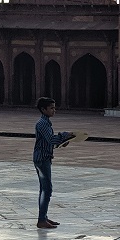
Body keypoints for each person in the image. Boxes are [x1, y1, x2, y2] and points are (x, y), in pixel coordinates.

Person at [32, 97, 72, 229]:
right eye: (52, 108)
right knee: (46, 189)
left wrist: (60, 142)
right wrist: (64, 135)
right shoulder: (42, 124)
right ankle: (41, 219)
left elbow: (49, 142)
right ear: (43, 109)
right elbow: (50, 140)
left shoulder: (46, 122)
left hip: (44, 157)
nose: (54, 110)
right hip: (42, 159)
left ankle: (43, 217)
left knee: (45, 189)